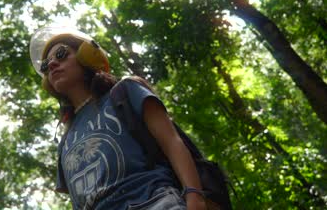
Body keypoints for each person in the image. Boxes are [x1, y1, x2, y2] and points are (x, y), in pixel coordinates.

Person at [29, 25, 206, 210]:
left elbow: (172, 142)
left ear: (86, 55)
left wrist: (195, 196)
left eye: (61, 54)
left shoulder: (125, 92)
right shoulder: (65, 142)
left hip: (154, 202)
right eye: (45, 65)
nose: (51, 65)